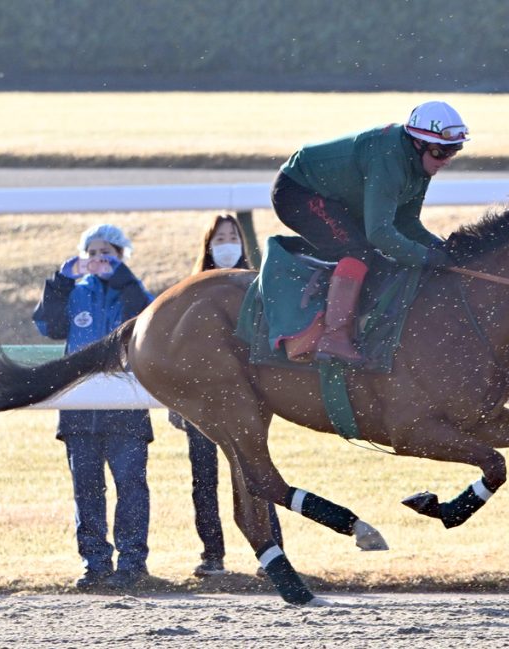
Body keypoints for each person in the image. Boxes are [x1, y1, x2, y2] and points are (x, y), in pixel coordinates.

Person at [270, 100, 466, 364]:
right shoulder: (389, 160)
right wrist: (426, 258)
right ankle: (334, 337)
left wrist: (441, 250)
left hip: (332, 195)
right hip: (298, 190)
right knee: (358, 250)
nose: (446, 160)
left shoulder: (419, 165)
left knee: (371, 252)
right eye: (440, 152)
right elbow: (380, 233)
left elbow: (406, 224)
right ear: (417, 142)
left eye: (453, 151)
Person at [33, 224, 155, 590]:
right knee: (86, 488)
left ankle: (133, 563)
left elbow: (145, 317)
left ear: (121, 257)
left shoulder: (132, 289)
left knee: (131, 485)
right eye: (93, 252)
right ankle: (95, 564)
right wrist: (61, 280)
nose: (99, 259)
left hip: (127, 404)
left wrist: (123, 278)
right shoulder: (74, 292)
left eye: (109, 253)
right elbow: (48, 325)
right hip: (79, 405)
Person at [167, 214, 283, 577]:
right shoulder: (188, 292)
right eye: (220, 238)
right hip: (201, 405)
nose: (228, 243)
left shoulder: (258, 288)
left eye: (233, 236)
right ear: (208, 245)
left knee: (256, 475)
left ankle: (273, 552)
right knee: (204, 480)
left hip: (246, 404)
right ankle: (212, 555)